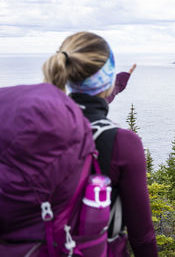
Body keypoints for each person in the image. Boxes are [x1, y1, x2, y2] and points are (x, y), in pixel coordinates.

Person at [42, 31, 158, 256]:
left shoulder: (37, 125)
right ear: (107, 79)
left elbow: (87, 102)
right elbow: (142, 236)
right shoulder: (123, 144)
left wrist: (117, 84)